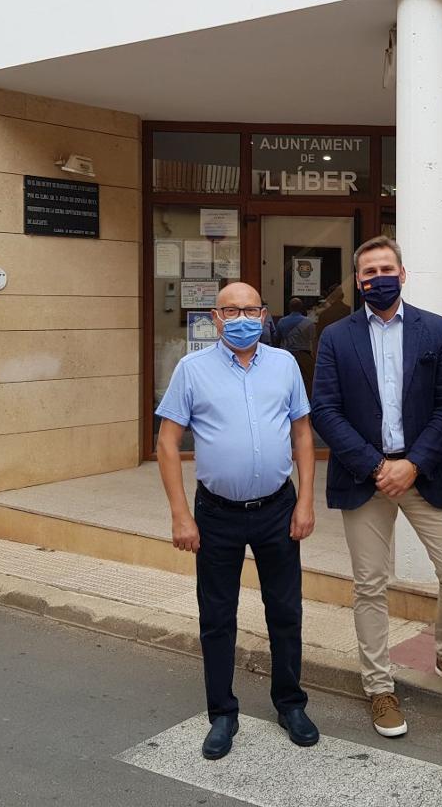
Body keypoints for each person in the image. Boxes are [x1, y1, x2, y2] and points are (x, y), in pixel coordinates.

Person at [311, 236, 442, 738]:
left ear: (402, 274)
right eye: (369, 272)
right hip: (364, 477)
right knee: (370, 584)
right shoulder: (335, 336)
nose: (378, 278)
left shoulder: (438, 330)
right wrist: (376, 465)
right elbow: (325, 410)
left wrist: (413, 464)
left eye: (387, 269)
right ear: (358, 280)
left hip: (424, 473)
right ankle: (379, 686)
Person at [155, 282, 319, 761]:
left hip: (278, 509)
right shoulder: (191, 370)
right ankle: (222, 713)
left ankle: (290, 703)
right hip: (216, 515)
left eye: (250, 310)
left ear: (264, 315)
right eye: (231, 311)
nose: (242, 319)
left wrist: (306, 502)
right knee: (217, 617)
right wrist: (180, 515)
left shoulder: (284, 365)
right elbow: (167, 444)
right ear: (216, 316)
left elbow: (302, 434)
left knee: (285, 611)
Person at [280, 297, 318, 391]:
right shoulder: (309, 323)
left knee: (286, 382)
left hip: (286, 356)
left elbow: (277, 339)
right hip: (304, 356)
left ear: (289, 308)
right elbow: (313, 341)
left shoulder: (282, 322)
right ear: (301, 308)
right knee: (306, 383)